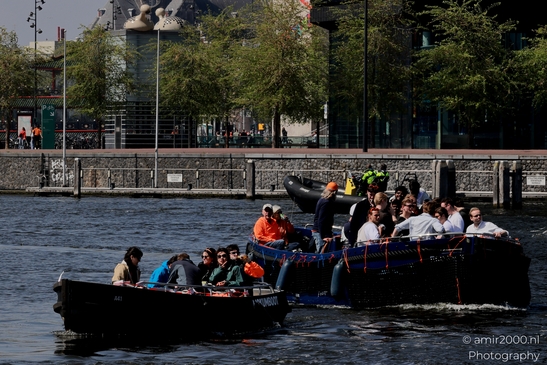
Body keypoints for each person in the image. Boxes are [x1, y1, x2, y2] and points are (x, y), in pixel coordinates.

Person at [311, 181, 338, 252]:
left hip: (321, 230)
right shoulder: (326, 203)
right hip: (320, 232)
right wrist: (323, 236)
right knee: (321, 252)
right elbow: (321, 220)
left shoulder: (321, 200)